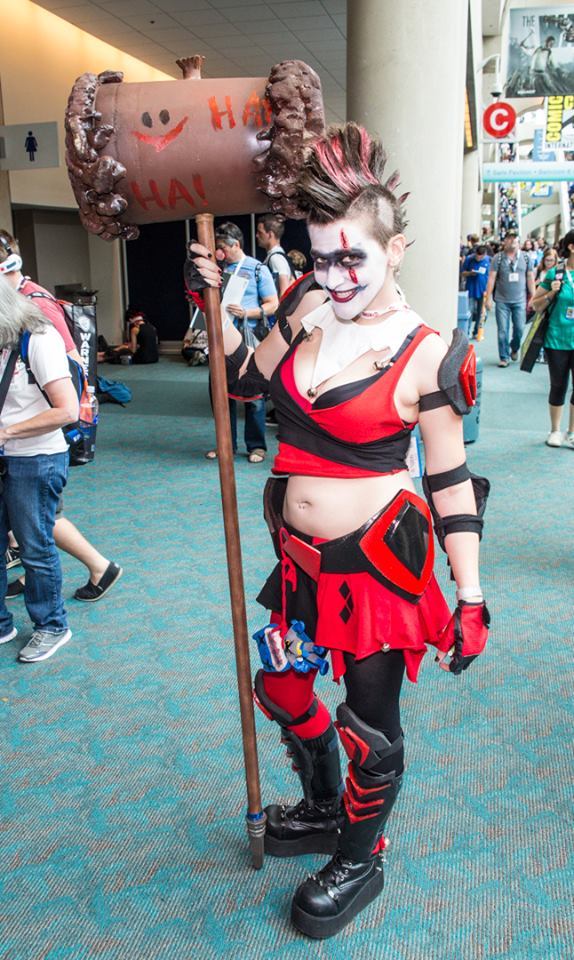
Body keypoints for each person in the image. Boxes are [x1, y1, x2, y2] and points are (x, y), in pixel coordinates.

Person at [189, 123, 489, 939]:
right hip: (298, 562)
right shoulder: (307, 305)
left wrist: (469, 595)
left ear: (395, 250)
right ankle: (325, 805)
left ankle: (362, 856)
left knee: (370, 726)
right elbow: (245, 382)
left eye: (352, 257)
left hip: (377, 573)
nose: (335, 275)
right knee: (283, 688)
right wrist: (218, 304)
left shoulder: (428, 353)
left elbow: (450, 480)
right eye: (321, 258)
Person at [0, 231, 123, 602]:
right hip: (27, 432)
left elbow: (69, 363)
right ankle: (39, 569)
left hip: (43, 435)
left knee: (45, 515)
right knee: (36, 517)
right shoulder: (16, 299)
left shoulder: (35, 303)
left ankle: (99, 566)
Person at [0, 277, 79, 662]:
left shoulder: (38, 339)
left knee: (34, 547)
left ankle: (52, 626)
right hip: (6, 455)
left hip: (36, 458)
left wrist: (6, 432)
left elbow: (67, 410)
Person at [205, 222, 278, 463]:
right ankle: (226, 445)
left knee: (254, 392)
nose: (219, 253)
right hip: (221, 337)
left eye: (222, 248)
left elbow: (273, 304)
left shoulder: (257, 269)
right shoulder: (216, 271)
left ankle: (256, 446)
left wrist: (248, 312)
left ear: (236, 244)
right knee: (219, 391)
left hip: (249, 337)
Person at [530, 230, 574, 448]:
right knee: (558, 385)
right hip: (557, 338)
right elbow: (535, 305)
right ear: (572, 247)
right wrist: (551, 294)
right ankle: (555, 430)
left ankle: (572, 432)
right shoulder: (556, 274)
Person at [484, 233, 535, 367]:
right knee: (502, 331)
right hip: (502, 300)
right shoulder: (498, 258)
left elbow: (530, 278)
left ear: (519, 242)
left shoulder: (526, 258)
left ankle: (514, 347)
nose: (512, 241)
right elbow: (491, 278)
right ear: (505, 241)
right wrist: (488, 298)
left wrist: (534, 297)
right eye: (509, 239)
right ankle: (504, 357)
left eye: (514, 239)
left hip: (520, 300)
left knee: (520, 329)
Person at [256, 215, 296, 298]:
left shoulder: (275, 258)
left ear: (270, 235)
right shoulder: (279, 256)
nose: (257, 235)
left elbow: (284, 291)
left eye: (260, 232)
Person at [460, 244, 491, 338]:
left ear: (484, 255)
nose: (478, 258)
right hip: (471, 289)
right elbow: (462, 273)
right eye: (477, 256)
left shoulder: (488, 260)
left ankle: (476, 331)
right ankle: (467, 331)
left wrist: (489, 291)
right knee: (469, 311)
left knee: (480, 312)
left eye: (480, 257)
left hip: (483, 290)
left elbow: (491, 276)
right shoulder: (469, 259)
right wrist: (470, 273)